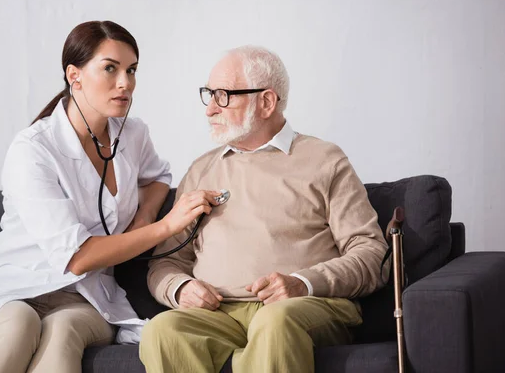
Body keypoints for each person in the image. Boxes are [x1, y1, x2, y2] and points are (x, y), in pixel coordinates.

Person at [0, 20, 220, 373]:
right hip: (15, 285)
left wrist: (144, 218)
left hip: (86, 295)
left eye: (131, 70)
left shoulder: (132, 134)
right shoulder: (33, 150)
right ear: (75, 76)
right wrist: (163, 227)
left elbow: (158, 177)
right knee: (18, 325)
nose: (126, 83)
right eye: (110, 69)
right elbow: (76, 257)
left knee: (63, 330)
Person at [140, 45, 390, 373]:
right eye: (208, 95)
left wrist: (304, 283)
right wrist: (181, 287)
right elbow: (165, 264)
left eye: (223, 96)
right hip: (220, 315)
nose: (210, 109)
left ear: (266, 102)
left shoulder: (325, 160)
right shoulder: (201, 171)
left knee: (275, 322)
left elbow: (373, 255)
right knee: (162, 331)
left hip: (304, 307)